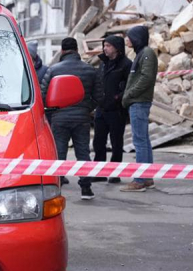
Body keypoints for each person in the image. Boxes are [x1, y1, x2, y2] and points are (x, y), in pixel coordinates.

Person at [41, 37, 104, 200]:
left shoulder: (53, 70)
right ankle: (86, 188)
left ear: (62, 51)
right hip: (82, 118)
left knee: (59, 153)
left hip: (59, 118)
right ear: (77, 50)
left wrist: (53, 110)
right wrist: (86, 108)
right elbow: (98, 96)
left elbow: (43, 94)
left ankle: (56, 188)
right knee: (83, 152)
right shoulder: (89, 69)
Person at [121, 25, 158, 193]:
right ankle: (147, 177)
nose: (126, 40)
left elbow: (146, 78)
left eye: (129, 37)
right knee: (144, 140)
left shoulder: (147, 53)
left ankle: (140, 179)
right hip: (138, 101)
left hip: (139, 102)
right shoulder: (141, 54)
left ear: (136, 38)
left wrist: (129, 94)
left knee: (140, 142)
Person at [93, 36, 132, 184]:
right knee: (98, 142)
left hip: (117, 110)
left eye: (108, 46)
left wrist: (118, 98)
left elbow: (130, 86)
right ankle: (99, 172)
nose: (105, 48)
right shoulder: (103, 63)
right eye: (104, 45)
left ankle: (115, 173)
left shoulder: (126, 65)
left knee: (116, 143)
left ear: (117, 47)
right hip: (102, 109)